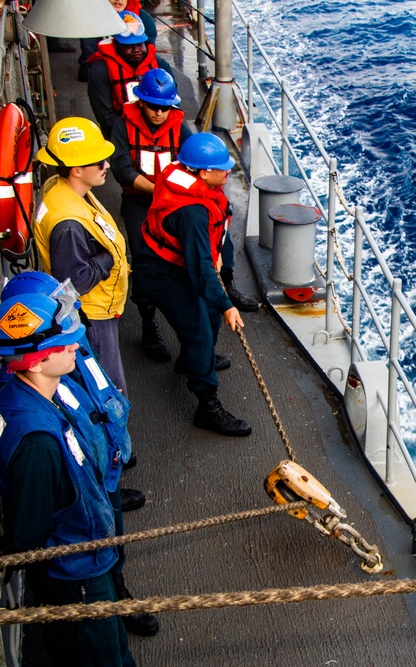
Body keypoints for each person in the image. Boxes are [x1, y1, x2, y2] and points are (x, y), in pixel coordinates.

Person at [0, 272, 160, 637]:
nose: (74, 331)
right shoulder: (35, 407)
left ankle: (114, 587)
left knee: (113, 546)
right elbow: (36, 513)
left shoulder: (58, 356)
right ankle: (113, 594)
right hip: (77, 550)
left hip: (102, 476)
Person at [136, 132, 252, 437]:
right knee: (200, 329)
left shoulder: (182, 177)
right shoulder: (192, 212)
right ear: (202, 173)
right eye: (222, 168)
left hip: (171, 262)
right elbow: (199, 267)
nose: (228, 171)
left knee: (208, 316)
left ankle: (192, 361)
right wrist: (227, 305)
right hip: (163, 273)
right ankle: (206, 404)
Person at [33, 117, 130, 399]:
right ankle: (115, 440)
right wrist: (108, 259)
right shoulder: (68, 224)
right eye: (99, 162)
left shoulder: (59, 187)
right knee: (106, 386)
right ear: (76, 170)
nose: (107, 166)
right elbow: (75, 281)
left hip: (92, 309)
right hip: (91, 314)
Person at [110, 68, 193, 362]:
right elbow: (122, 170)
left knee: (184, 261)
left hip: (172, 202)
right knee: (144, 261)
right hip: (139, 203)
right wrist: (160, 190)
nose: (159, 113)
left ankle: (191, 340)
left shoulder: (181, 128)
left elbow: (191, 164)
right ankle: (149, 325)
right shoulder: (122, 127)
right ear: (141, 103)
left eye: (165, 107)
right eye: (154, 106)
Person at [87, 10, 172, 138]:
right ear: (116, 44)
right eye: (130, 45)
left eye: (140, 43)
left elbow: (172, 102)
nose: (136, 49)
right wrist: (133, 135)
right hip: (120, 134)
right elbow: (105, 116)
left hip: (157, 131)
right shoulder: (100, 70)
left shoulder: (160, 65)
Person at [78, 0, 158, 82]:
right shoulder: (90, 20)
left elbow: (149, 53)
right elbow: (89, 53)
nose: (119, 0)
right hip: (102, 67)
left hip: (132, 67)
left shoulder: (144, 19)